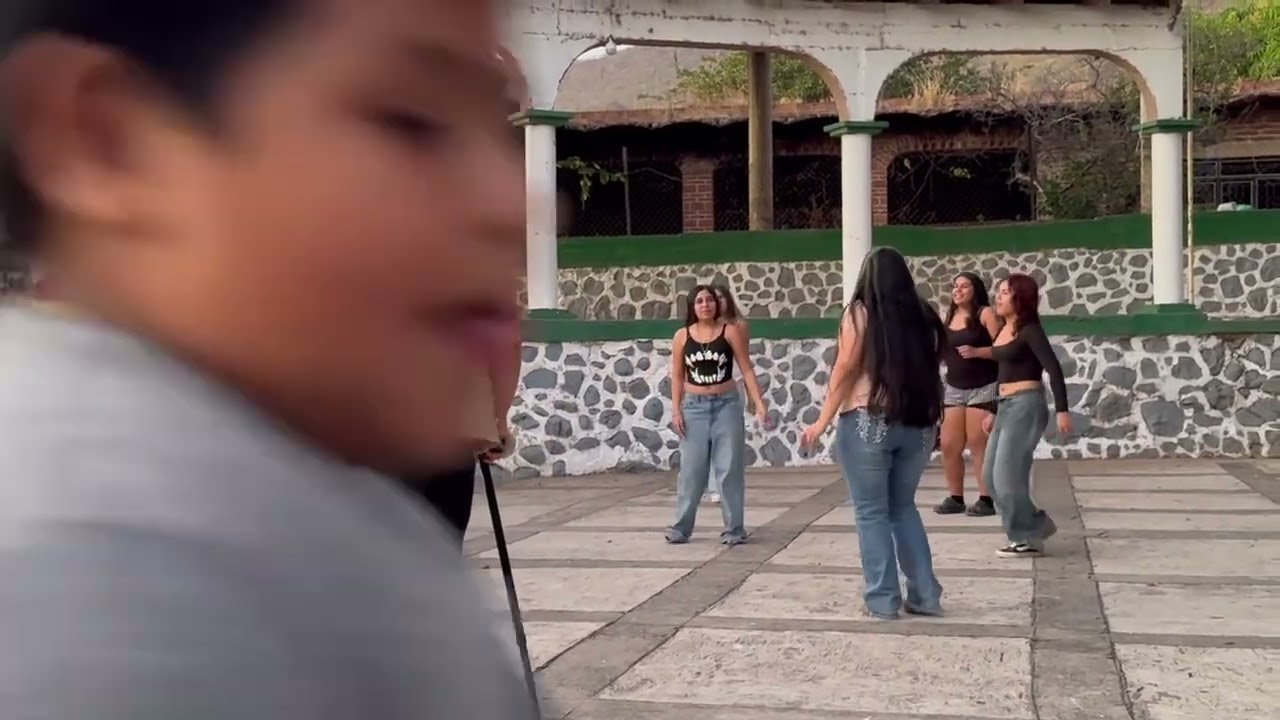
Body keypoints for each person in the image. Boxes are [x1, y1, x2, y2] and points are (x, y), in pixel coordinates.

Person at [0, 1, 540, 719]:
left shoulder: (316, 509)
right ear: (111, 141)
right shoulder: (107, 584)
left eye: (494, 131)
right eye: (410, 121)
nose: (511, 204)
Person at [802, 247, 947, 620]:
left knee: (871, 513)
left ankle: (882, 600)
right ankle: (926, 595)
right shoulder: (926, 317)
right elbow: (934, 371)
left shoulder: (860, 313)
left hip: (870, 420)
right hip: (918, 423)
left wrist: (821, 421)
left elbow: (846, 370)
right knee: (902, 508)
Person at [973, 273, 1071, 557]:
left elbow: (1053, 368)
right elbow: (1003, 373)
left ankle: (1026, 537)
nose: (998, 296)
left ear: (1020, 298)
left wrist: (1062, 410)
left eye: (1005, 292)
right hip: (1005, 406)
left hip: (1026, 404)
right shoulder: (1005, 329)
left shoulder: (1029, 329)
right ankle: (1034, 524)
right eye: (999, 292)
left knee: (1007, 476)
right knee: (990, 478)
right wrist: (993, 410)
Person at [668, 284, 768, 546]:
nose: (705, 305)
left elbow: (746, 369)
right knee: (691, 470)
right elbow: (677, 376)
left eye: (709, 300)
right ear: (692, 306)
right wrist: (675, 410)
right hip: (694, 407)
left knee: (729, 468)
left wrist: (758, 402)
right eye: (699, 301)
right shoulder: (682, 336)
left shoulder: (730, 331)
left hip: (726, 405)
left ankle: (734, 529)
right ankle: (681, 527)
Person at [935, 272, 1000, 517]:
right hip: (954, 388)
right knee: (949, 444)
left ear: (975, 290)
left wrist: (978, 352)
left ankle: (986, 498)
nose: (958, 290)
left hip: (983, 386)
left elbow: (1002, 349)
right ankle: (955, 497)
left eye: (964, 286)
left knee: (977, 442)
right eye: (955, 286)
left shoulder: (985, 313)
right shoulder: (948, 316)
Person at [702, 282, 747, 504]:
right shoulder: (703, 327)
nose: (717, 301)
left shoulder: (737, 326)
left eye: (721, 297)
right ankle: (712, 485)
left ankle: (728, 485)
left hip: (734, 384)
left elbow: (744, 361)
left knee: (730, 440)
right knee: (710, 438)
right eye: (713, 298)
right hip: (710, 385)